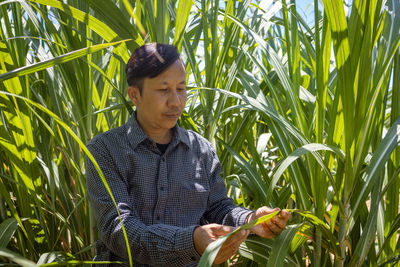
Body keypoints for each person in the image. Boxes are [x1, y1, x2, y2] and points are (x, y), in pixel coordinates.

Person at [85, 43, 290, 267]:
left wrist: (251, 220)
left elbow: (219, 207)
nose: (176, 101)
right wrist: (190, 242)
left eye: (181, 88)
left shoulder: (201, 150)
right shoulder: (105, 150)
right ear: (134, 95)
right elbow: (119, 230)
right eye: (163, 90)